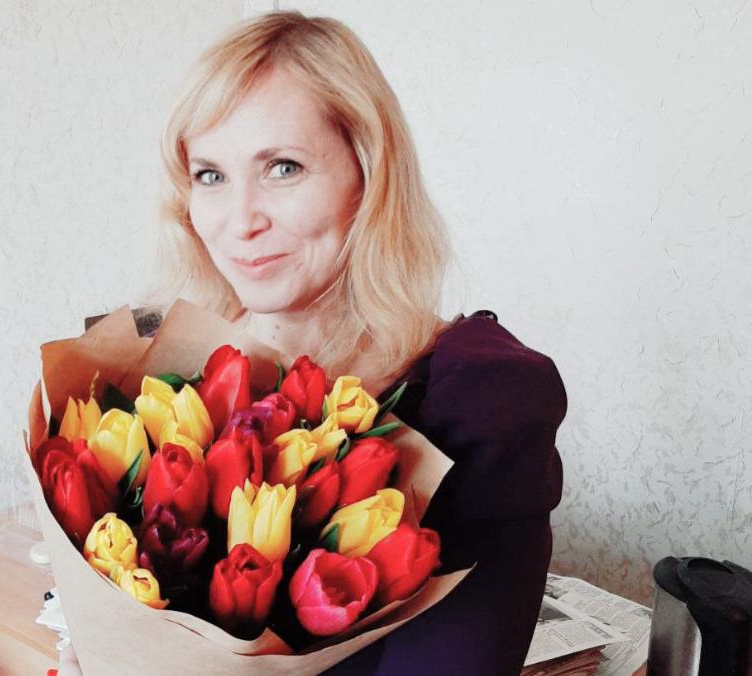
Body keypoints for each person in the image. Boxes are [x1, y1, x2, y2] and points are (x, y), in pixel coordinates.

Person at [60, 9, 568, 675]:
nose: (241, 220)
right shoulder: (155, 374)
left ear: (369, 173)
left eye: (283, 167)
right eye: (210, 175)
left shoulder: (479, 400)